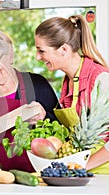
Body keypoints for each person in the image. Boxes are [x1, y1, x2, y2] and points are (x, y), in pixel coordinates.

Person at [0, 30, 59, 172]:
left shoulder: (37, 84)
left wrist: (45, 115)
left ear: (9, 56)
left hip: (36, 177)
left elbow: (61, 131)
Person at [35, 15, 109, 172]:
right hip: (80, 171)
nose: (38, 57)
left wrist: (83, 166)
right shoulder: (68, 80)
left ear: (63, 49)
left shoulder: (101, 79)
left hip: (104, 174)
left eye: (41, 51)